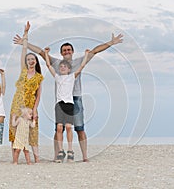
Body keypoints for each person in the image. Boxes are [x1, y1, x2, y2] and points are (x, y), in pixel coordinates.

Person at [13, 23, 123, 162]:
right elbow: (41, 52)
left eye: (68, 50)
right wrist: (25, 42)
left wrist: (111, 43)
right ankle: (56, 155)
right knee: (58, 129)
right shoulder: (57, 63)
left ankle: (84, 156)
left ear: (72, 51)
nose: (66, 52)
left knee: (79, 128)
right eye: (64, 50)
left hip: (75, 99)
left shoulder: (78, 61)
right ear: (61, 53)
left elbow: (95, 51)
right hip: (60, 101)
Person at [45, 47, 89, 162]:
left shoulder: (72, 77)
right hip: (59, 105)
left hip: (69, 104)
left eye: (65, 67)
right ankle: (60, 151)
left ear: (69, 69)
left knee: (69, 127)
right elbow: (49, 66)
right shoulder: (57, 77)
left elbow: (81, 67)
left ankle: (70, 150)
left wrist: (86, 54)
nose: (62, 68)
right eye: (61, 67)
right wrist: (46, 53)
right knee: (59, 128)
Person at [9, 21, 44, 163]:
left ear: (36, 61)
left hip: (29, 105)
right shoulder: (23, 71)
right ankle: (15, 158)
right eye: (28, 59)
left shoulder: (39, 77)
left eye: (32, 59)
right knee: (14, 130)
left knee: (33, 131)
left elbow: (38, 95)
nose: (30, 60)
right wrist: (26, 34)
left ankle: (36, 158)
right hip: (17, 103)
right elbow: (23, 50)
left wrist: (35, 109)